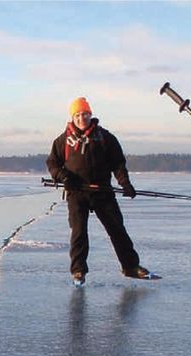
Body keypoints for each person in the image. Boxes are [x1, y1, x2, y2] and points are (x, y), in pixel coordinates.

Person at [46, 97, 153, 286]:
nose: (82, 118)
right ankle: (78, 271)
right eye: (78, 115)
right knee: (79, 232)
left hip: (103, 191)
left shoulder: (105, 137)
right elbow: (53, 164)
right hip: (76, 192)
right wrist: (63, 177)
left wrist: (125, 183)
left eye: (85, 114)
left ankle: (130, 267)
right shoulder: (63, 140)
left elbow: (118, 163)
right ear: (73, 117)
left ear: (90, 114)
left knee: (117, 229)